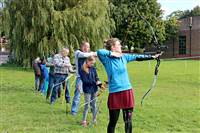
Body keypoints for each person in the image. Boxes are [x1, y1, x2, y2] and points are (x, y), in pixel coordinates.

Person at [97, 38, 162, 133]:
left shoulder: (124, 57)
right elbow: (99, 52)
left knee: (128, 121)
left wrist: (153, 57)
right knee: (112, 122)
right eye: (118, 45)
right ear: (113, 47)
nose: (120, 46)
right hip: (115, 93)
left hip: (127, 92)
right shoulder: (107, 60)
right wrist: (112, 54)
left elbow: (138, 57)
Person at [71, 41, 96, 115]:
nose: (86, 48)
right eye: (84, 46)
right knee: (78, 93)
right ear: (81, 46)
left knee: (92, 93)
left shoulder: (89, 55)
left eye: (88, 47)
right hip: (80, 77)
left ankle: (92, 109)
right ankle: (74, 111)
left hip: (89, 77)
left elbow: (92, 62)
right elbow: (84, 55)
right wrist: (94, 53)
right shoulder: (78, 52)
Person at [79, 56, 100, 127]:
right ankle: (84, 121)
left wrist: (99, 84)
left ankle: (94, 119)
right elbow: (85, 81)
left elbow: (96, 77)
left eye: (93, 63)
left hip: (94, 89)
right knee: (87, 105)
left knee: (94, 105)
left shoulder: (93, 69)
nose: (92, 65)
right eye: (91, 63)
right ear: (87, 61)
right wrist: (95, 82)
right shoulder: (82, 70)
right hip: (87, 89)